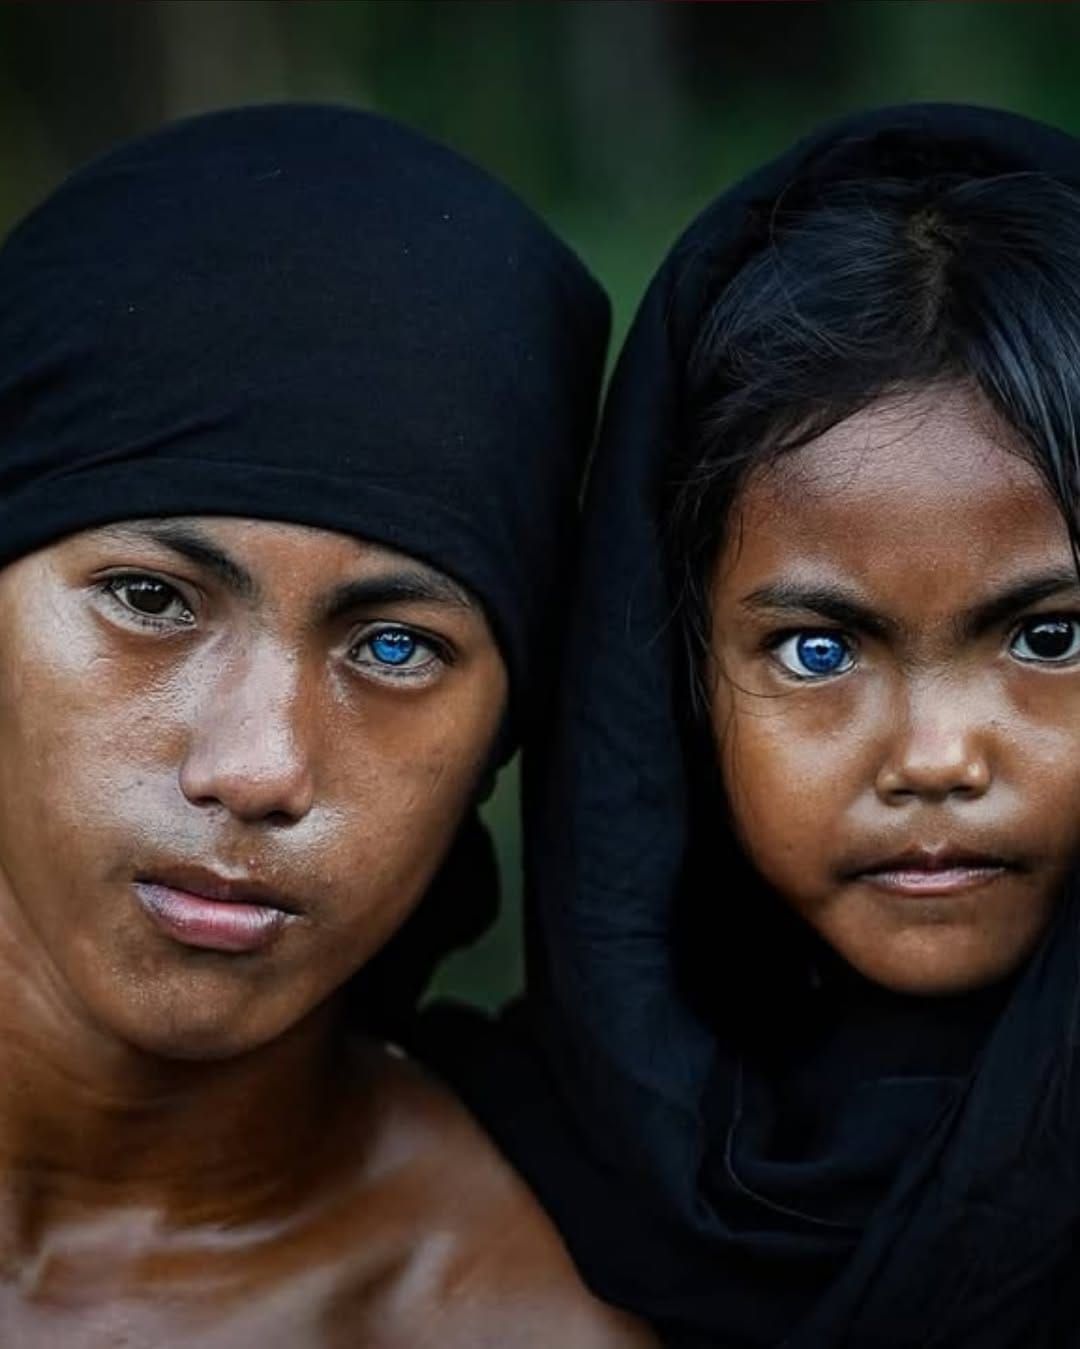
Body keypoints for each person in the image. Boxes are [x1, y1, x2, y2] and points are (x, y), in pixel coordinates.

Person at [423, 105, 1080, 1348]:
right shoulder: (479, 1188)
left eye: (1048, 636)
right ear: (669, 680)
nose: (937, 756)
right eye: (818, 650)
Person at [0, 103, 656, 1347]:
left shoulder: (520, 1315)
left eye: (395, 645)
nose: (257, 768)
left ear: (509, 732)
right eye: (151, 599)